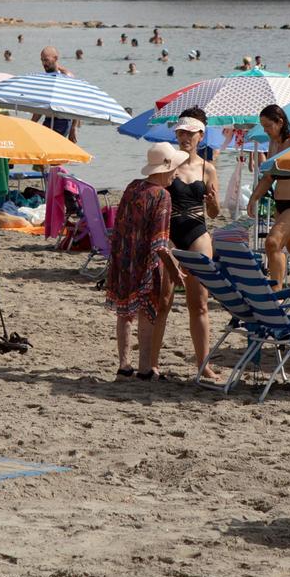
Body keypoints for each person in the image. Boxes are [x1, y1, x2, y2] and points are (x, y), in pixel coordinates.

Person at [106, 142, 187, 379]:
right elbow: (160, 243)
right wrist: (174, 271)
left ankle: (123, 365)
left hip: (123, 258)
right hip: (145, 263)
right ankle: (144, 368)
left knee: (124, 313)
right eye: (174, 169)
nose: (176, 173)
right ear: (165, 169)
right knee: (147, 312)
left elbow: (120, 222)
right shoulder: (162, 195)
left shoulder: (133, 187)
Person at [166, 116, 225, 385]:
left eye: (190, 133)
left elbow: (213, 213)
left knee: (199, 303)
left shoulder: (207, 169)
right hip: (170, 232)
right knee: (162, 301)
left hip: (197, 231)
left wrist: (213, 202)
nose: (184, 137)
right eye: (180, 133)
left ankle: (204, 364)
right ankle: (151, 364)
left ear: (201, 136)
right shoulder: (168, 164)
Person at [247, 104, 290, 284]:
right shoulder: (273, 143)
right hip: (281, 206)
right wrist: (254, 197)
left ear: (280, 122)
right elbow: (269, 177)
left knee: (272, 243)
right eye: (263, 126)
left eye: (268, 126)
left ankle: (277, 293)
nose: (266, 130)